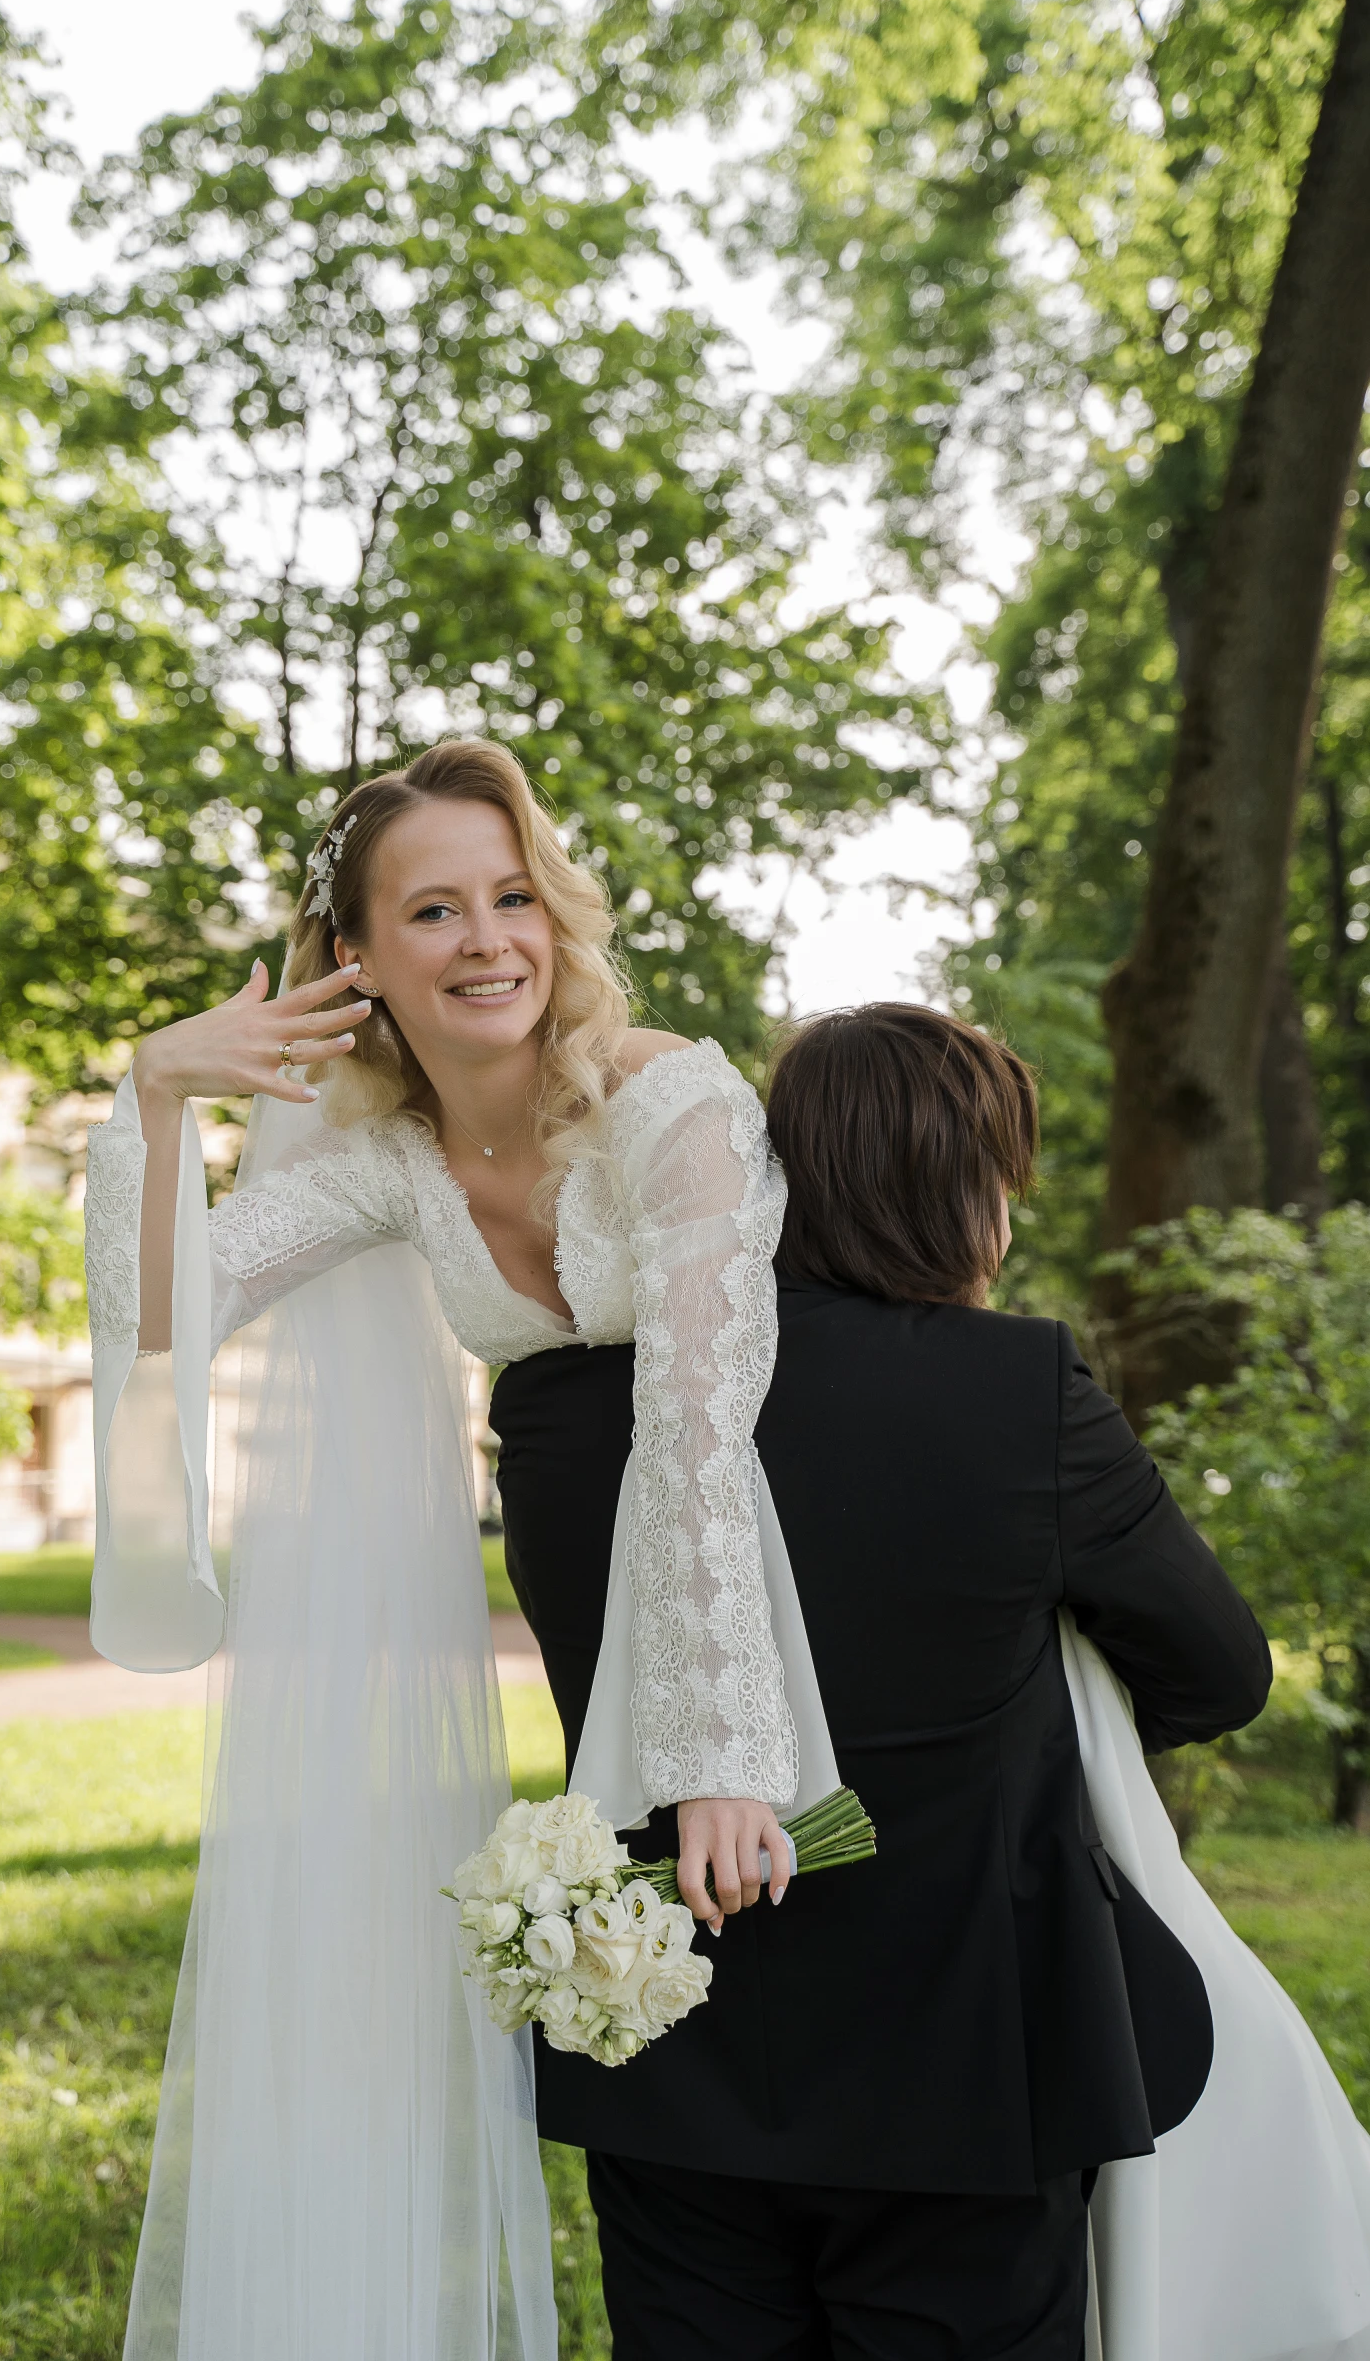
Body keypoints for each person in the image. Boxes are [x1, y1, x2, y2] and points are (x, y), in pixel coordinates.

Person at [81, 738, 820, 2361]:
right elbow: (163, 1324)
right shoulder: (391, 1163)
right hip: (596, 1619)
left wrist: (717, 1760)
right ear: (357, 956)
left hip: (793, 1573)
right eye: (433, 910)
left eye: (512, 897)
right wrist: (157, 1093)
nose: (489, 940)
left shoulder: (671, 1102)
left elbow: (695, 1430)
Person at [498, 1003, 1370, 2361]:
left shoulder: (563, 1408)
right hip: (966, 2062)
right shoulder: (1014, 1386)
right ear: (963, 1193)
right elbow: (1220, 1671)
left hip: (667, 2043)